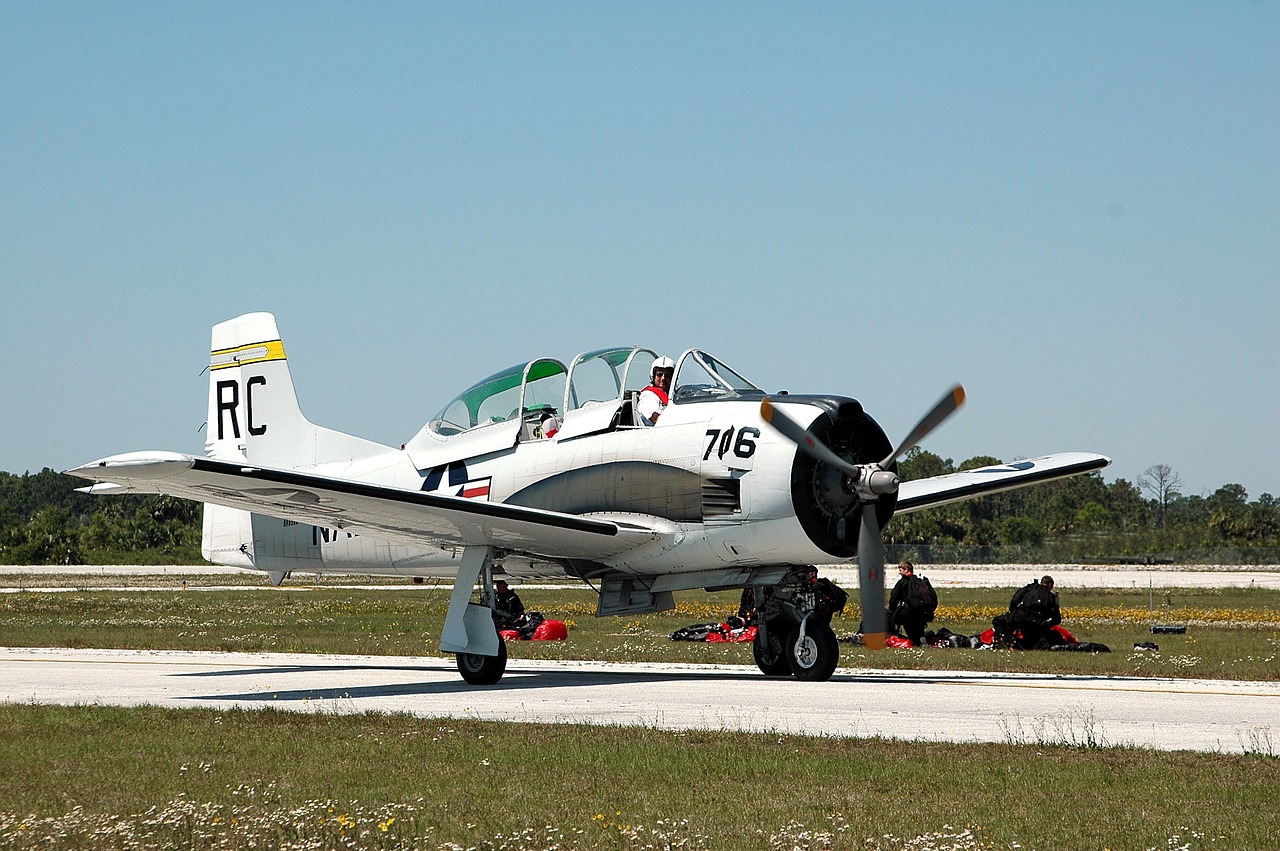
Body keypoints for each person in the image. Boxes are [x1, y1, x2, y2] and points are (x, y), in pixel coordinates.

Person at [994, 574, 1061, 649]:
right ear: (1050, 585)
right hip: (1038, 625)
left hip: (1021, 618)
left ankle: (1000, 644)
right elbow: (1057, 619)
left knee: (998, 621)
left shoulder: (1030, 588)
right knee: (1033, 640)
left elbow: (1015, 599)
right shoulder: (1051, 597)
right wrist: (1046, 624)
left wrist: (1011, 613)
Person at [887, 561, 937, 647]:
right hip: (923, 614)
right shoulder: (921, 582)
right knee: (919, 633)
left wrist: (892, 613)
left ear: (906, 570)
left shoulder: (903, 582)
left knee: (912, 636)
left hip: (908, 614)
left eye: (900, 570)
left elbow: (894, 599)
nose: (899, 573)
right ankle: (922, 638)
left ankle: (913, 640)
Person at [637, 356, 675, 426]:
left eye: (667, 376)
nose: (663, 378)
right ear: (653, 376)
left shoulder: (675, 396)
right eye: (659, 375)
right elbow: (654, 417)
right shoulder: (648, 395)